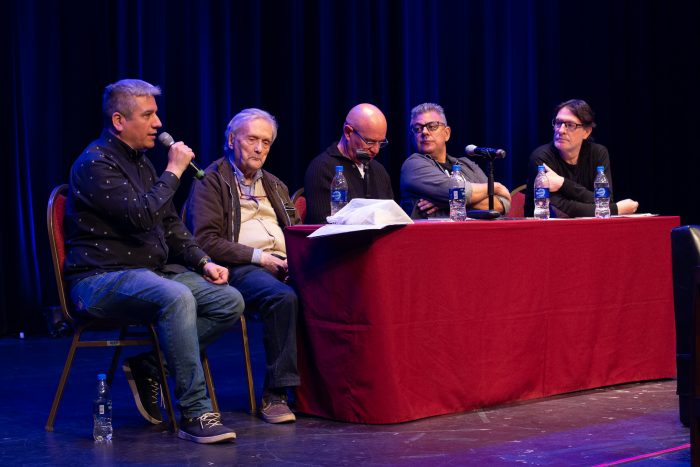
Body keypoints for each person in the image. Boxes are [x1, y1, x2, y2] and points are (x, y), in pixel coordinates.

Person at [64, 79, 243, 444]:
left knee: (229, 300)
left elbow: (170, 226)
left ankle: (151, 364)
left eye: (155, 113)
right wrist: (174, 171)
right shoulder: (95, 163)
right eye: (148, 115)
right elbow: (141, 217)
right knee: (176, 297)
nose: (158, 123)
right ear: (119, 120)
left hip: (148, 274)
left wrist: (204, 261)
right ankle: (196, 412)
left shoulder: (143, 164)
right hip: (99, 279)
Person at [185, 108, 300, 424]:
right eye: (252, 139)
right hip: (235, 268)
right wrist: (260, 258)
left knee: (333, 291)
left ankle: (321, 391)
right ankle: (276, 393)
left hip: (282, 265)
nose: (260, 148)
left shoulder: (275, 184)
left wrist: (296, 257)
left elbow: (295, 227)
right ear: (232, 140)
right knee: (282, 298)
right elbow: (204, 240)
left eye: (266, 142)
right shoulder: (211, 180)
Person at [525, 99, 638, 217]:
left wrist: (562, 183)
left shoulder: (598, 153)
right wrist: (616, 209)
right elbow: (562, 210)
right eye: (558, 123)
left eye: (570, 125)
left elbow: (605, 201)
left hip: (590, 228)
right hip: (545, 230)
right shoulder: (541, 158)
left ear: (586, 132)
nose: (561, 130)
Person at [400, 103, 511, 219]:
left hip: (474, 234)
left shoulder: (467, 165)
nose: (424, 132)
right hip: (434, 235)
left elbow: (502, 204)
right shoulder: (412, 166)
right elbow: (451, 191)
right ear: (412, 137)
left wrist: (445, 202)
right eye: (417, 128)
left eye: (432, 126)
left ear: (446, 133)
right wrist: (495, 187)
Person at [304, 103, 394, 223]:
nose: (376, 150)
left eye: (381, 142)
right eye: (370, 141)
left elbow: (392, 217)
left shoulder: (379, 170)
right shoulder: (322, 168)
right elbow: (323, 225)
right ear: (348, 132)